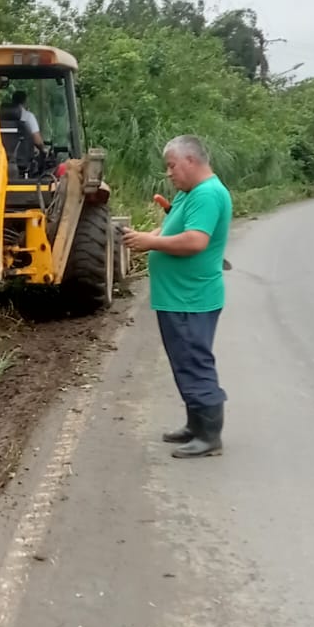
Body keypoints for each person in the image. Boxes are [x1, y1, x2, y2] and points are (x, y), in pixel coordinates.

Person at [122, 135, 232, 458]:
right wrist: (149, 235)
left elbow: (196, 241)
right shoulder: (190, 193)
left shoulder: (207, 194)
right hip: (179, 297)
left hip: (190, 298)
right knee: (184, 362)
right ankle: (195, 424)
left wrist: (151, 243)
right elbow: (173, 227)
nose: (168, 173)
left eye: (172, 166)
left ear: (191, 161)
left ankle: (209, 435)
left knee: (194, 362)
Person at [11, 90, 46, 164]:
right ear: (25, 102)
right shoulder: (28, 116)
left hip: (2, 160)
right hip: (23, 162)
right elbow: (37, 140)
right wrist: (43, 149)